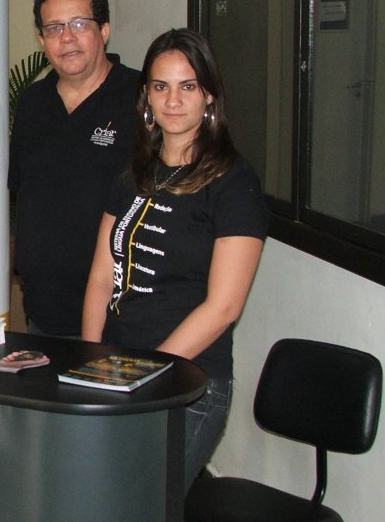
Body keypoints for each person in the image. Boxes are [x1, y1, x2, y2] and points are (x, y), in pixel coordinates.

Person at [81, 28, 268, 490]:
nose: (173, 100)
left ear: (208, 95)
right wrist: (93, 362)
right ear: (145, 96)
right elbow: (101, 278)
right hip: (119, 370)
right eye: (161, 86)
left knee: (141, 505)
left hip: (188, 384)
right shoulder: (131, 177)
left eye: (188, 86)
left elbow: (224, 307)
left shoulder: (233, 181)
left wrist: (144, 374)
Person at [9, 0, 139, 337]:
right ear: (41, 39)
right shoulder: (33, 104)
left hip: (119, 319)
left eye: (79, 24)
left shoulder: (140, 98)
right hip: (43, 315)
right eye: (54, 28)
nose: (66, 38)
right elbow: (20, 197)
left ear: (105, 30)